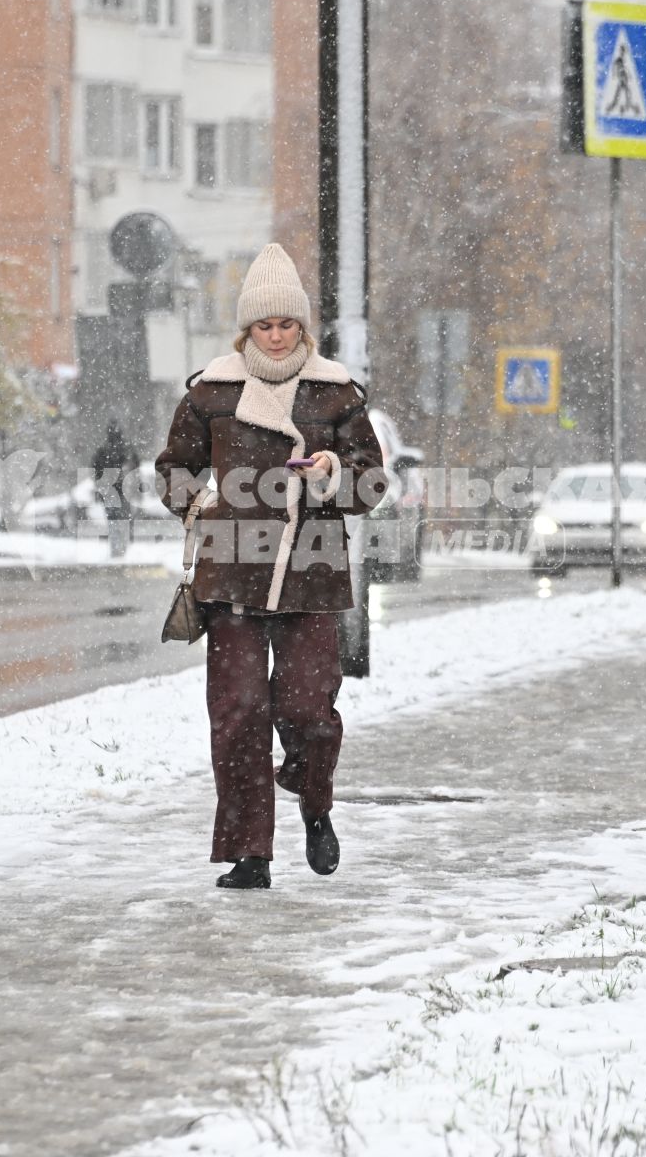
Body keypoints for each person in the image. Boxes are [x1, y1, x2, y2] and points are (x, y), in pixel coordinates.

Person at [154, 243, 386, 890]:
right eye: (265, 325)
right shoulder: (214, 390)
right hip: (231, 576)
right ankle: (248, 853)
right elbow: (172, 467)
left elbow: (372, 485)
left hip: (311, 577)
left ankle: (315, 806)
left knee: (310, 711)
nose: (277, 336)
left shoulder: (335, 393)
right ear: (247, 329)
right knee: (238, 714)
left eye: (287, 324)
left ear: (303, 328)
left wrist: (333, 475)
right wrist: (195, 500)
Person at [92, 421, 141, 558]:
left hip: (110, 492)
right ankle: (122, 548)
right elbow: (136, 467)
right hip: (122, 491)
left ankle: (116, 549)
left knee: (113, 520)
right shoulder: (126, 449)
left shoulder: (103, 451)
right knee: (123, 519)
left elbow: (95, 471)